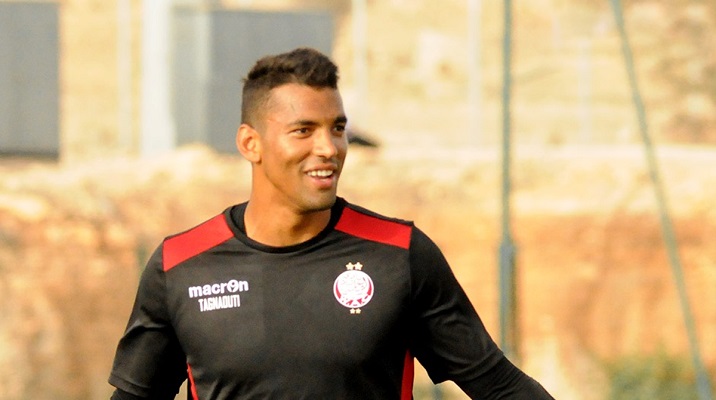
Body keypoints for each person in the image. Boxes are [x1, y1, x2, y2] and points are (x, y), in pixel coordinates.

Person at [108, 47, 554, 400]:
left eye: (337, 128)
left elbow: (498, 385)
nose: (329, 148)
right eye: (303, 130)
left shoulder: (399, 254)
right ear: (250, 143)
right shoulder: (180, 266)